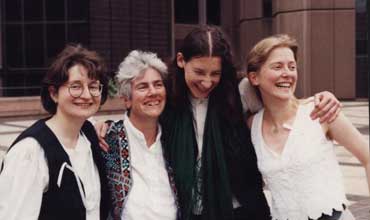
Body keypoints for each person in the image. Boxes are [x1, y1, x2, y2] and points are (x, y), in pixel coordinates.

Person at [96, 26, 341, 220]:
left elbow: (283, 105)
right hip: (189, 210)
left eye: (215, 73)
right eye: (199, 72)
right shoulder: (169, 96)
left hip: (240, 208)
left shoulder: (240, 91)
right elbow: (141, 110)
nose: (207, 81)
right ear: (181, 61)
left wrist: (319, 99)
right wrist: (104, 125)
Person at [246, 34, 370, 220]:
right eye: (277, 66)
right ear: (254, 77)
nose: (287, 73)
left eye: (292, 67)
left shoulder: (321, 111)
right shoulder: (251, 126)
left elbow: (367, 157)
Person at [0, 44, 111, 220]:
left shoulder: (88, 134)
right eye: (75, 86)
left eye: (93, 86)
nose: (87, 95)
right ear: (53, 93)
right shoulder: (31, 152)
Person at [100, 50, 178, 220]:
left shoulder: (175, 140)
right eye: (143, 86)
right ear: (126, 99)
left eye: (158, 84)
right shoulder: (107, 141)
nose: (153, 92)